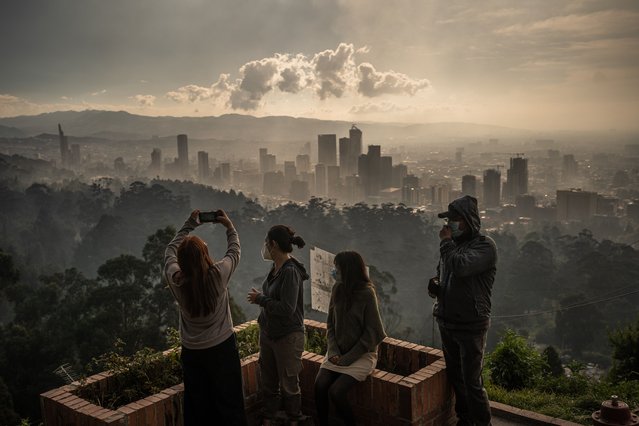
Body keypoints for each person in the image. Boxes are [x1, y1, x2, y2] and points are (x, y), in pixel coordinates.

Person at [164, 209, 247, 426]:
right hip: (222, 348)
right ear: (205, 254)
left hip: (192, 353)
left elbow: (170, 250)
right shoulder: (218, 275)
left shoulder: (176, 279)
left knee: (198, 408)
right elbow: (234, 251)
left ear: (181, 261)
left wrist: (190, 223)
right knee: (230, 405)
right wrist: (229, 227)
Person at [428, 195, 497, 426]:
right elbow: (447, 275)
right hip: (447, 321)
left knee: (472, 381)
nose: (449, 225)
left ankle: (482, 422)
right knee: (456, 376)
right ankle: (465, 418)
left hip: (471, 324)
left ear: (468, 220)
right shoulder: (453, 247)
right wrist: (436, 287)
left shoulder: (485, 246)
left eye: (455, 219)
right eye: (449, 220)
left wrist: (445, 243)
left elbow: (459, 268)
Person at [314, 251, 386, 426]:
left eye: (337, 269)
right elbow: (330, 324)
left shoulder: (367, 294)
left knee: (337, 392)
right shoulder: (337, 288)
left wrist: (348, 358)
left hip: (361, 355)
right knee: (319, 385)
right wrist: (333, 351)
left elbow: (373, 333)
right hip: (337, 353)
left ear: (348, 270)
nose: (334, 272)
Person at [247, 225, 309, 425]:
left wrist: (260, 300)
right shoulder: (275, 268)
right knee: (269, 380)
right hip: (269, 334)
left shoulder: (290, 272)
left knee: (289, 382)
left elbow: (287, 308)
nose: (265, 247)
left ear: (273, 244)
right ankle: (270, 417)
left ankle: (294, 418)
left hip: (287, 336)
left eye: (267, 243)